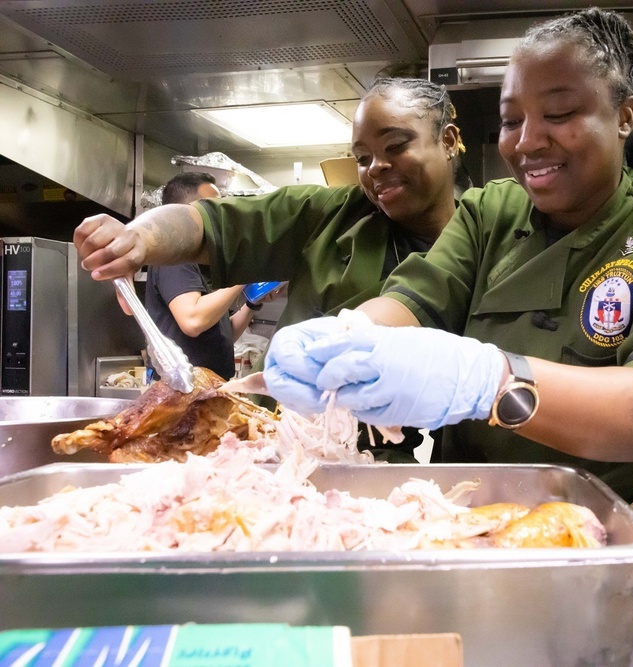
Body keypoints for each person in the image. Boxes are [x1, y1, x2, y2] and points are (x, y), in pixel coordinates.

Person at [260, 8, 633, 502]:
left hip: (609, 534)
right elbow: (413, 302)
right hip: (472, 522)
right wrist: (348, 339)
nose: (527, 141)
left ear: (624, 117)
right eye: (511, 120)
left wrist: (488, 381)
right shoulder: (487, 213)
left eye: (558, 115)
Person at [72, 78, 467, 462]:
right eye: (363, 158)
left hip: (375, 456)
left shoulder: (485, 232)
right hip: (266, 439)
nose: (376, 167)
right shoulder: (330, 215)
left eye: (395, 146)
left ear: (447, 141)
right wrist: (138, 238)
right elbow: (208, 225)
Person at [142, 171, 254, 381]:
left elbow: (222, 334)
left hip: (209, 387)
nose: (219, 217)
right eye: (211, 208)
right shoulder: (174, 258)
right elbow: (192, 321)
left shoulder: (201, 260)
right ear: (183, 213)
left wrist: (252, 304)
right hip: (182, 391)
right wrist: (245, 273)